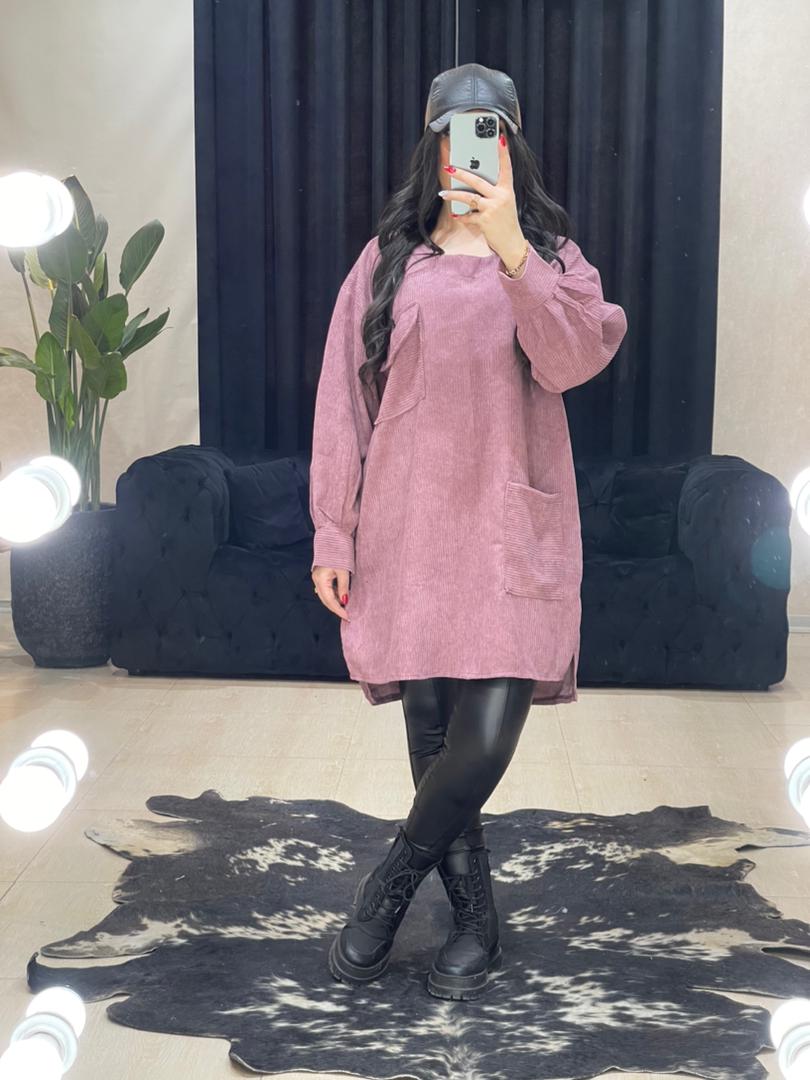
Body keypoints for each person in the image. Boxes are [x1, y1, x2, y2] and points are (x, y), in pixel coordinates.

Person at [309, 63, 628, 999]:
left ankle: (387, 886)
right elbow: (344, 402)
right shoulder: (386, 261)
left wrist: (513, 248)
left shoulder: (555, 259)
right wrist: (333, 530)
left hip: (507, 529)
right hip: (407, 529)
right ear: (432, 145)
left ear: (511, 145)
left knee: (481, 743)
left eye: (488, 131)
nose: (470, 149)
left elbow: (574, 359)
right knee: (435, 738)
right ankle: (477, 921)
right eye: (454, 131)